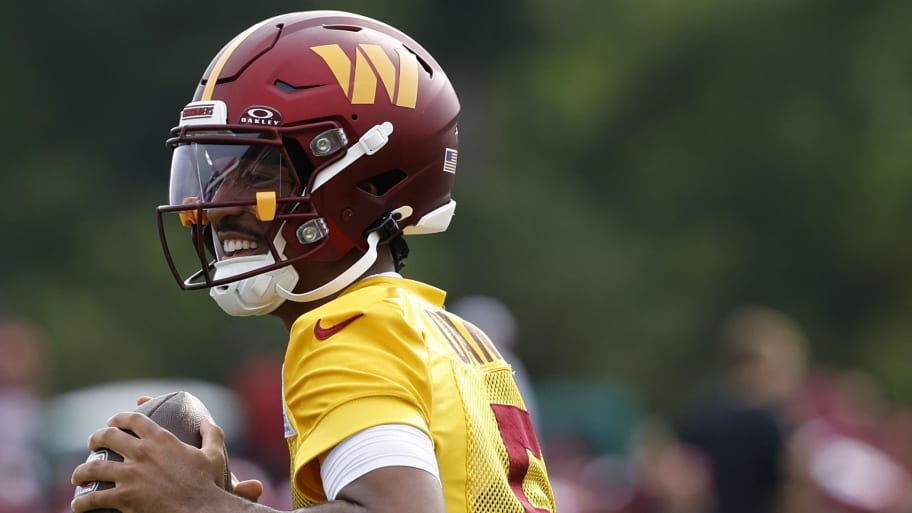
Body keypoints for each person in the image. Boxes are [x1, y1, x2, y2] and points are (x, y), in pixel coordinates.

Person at [70, 10, 555, 513]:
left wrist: (200, 505)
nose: (220, 205)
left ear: (364, 178)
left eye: (260, 172)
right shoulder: (456, 337)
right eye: (215, 172)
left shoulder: (346, 330)